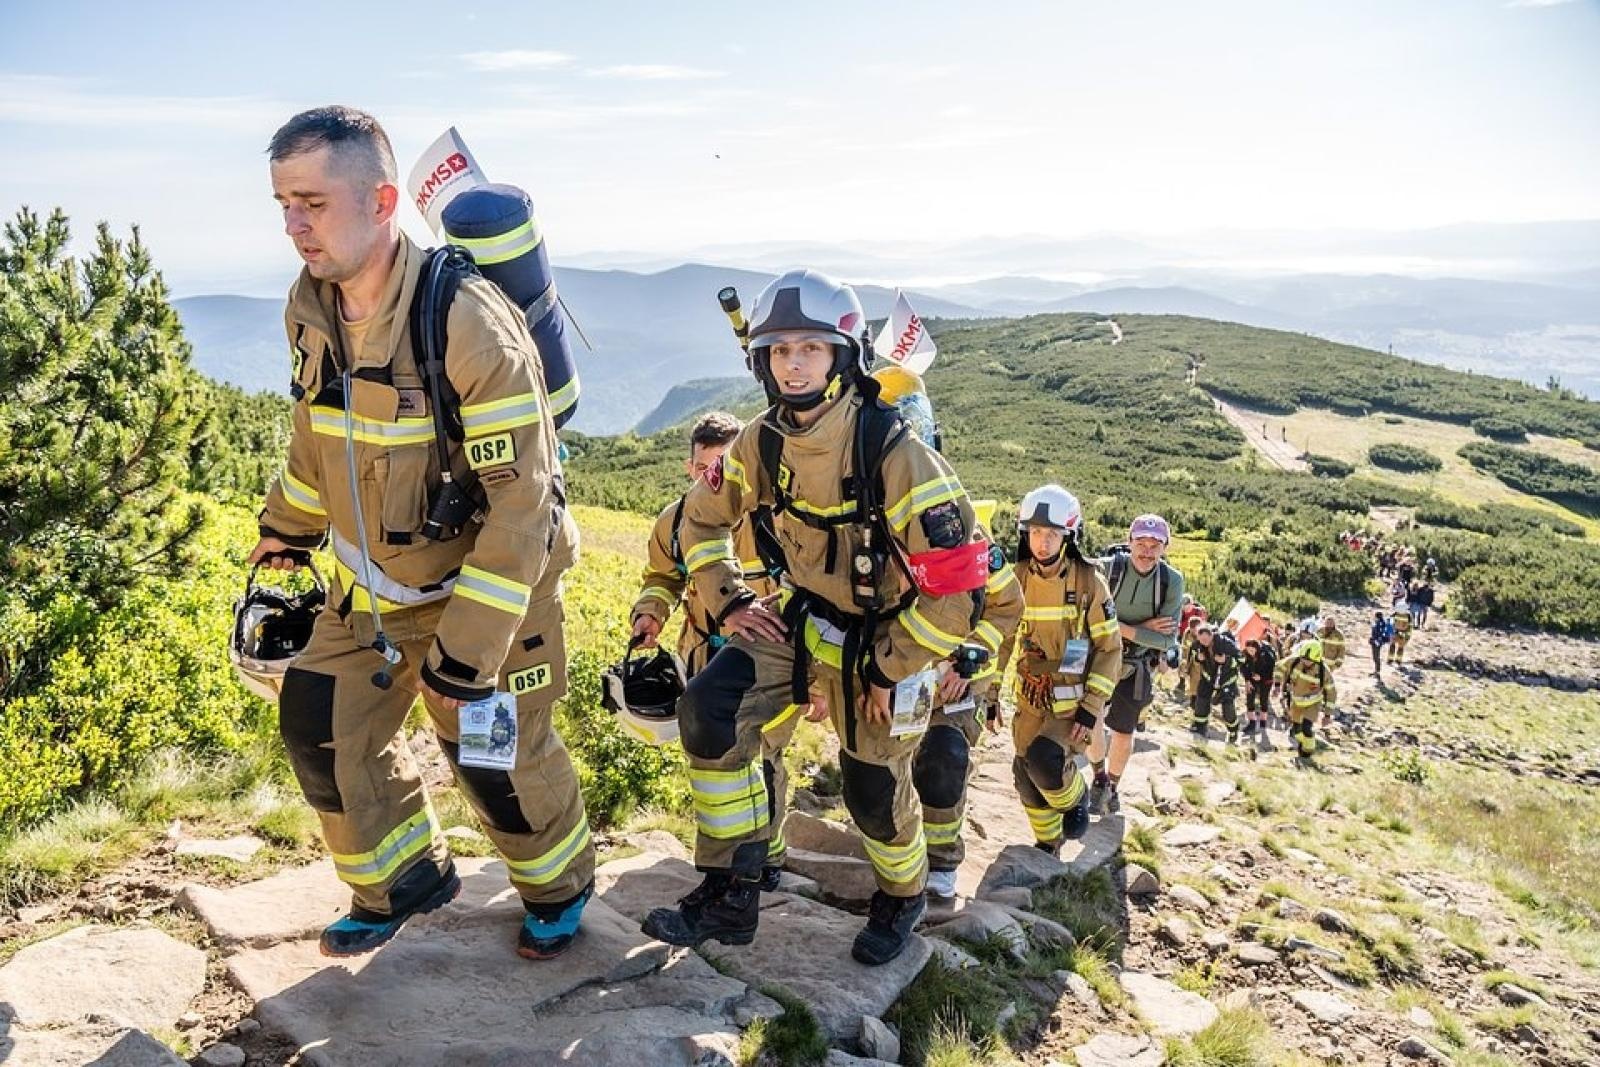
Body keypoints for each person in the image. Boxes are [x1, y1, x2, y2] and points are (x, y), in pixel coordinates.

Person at [252, 107, 594, 959]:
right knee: (320, 727)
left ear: (383, 198)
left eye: (312, 203)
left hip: (487, 591)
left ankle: (560, 888)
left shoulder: (470, 323)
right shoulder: (310, 307)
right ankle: (402, 880)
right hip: (370, 585)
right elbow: (314, 439)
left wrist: (468, 652)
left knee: (491, 755)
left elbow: (524, 503)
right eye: (282, 204)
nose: (294, 226)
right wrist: (285, 533)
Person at [640, 269, 993, 966]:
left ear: (843, 356)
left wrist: (887, 666)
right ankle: (732, 889)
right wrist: (731, 598)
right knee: (711, 709)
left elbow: (955, 596)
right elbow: (702, 523)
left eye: (810, 348)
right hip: (798, 619)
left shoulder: (895, 452)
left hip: (884, 639)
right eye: (778, 351)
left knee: (871, 786)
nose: (793, 364)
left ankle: (902, 894)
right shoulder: (761, 442)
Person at [627, 411, 796, 888]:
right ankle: (727, 863)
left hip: (772, 663)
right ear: (690, 468)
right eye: (705, 468)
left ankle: (769, 858)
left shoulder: (776, 520)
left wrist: (819, 685)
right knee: (716, 759)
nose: (714, 478)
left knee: (764, 757)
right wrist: (650, 613)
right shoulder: (677, 521)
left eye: (724, 466)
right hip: (704, 659)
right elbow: (663, 578)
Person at [996, 485, 1123, 851]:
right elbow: (1002, 639)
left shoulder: (1088, 582)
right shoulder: (1015, 578)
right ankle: (1047, 845)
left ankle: (1077, 796)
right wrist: (989, 694)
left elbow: (1109, 649)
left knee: (1045, 760)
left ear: (1068, 535)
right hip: (1029, 697)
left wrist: (1092, 708)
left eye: (1052, 534)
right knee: (1025, 775)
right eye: (1036, 533)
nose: (1043, 543)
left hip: (1072, 706)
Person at [914, 500, 1024, 899]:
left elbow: (1009, 605)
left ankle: (941, 863)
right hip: (896, 678)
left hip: (957, 682)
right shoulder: (871, 528)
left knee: (945, 755)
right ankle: (899, 854)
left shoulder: (970, 539)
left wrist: (969, 659)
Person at [1088, 515, 1183, 814]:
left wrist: (1119, 627)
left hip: (1136, 663)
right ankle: (1099, 779)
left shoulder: (1171, 581)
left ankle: (1112, 786)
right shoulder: (1105, 567)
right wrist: (1144, 628)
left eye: (1155, 545)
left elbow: (1168, 642)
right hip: (1099, 654)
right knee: (1091, 720)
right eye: (1141, 543)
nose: (1147, 550)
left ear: (1165, 548)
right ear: (1129, 543)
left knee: (1123, 731)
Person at [1274, 637, 1336, 767]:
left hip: (1313, 703)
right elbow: (1279, 667)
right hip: (1296, 702)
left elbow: (1331, 692)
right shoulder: (1295, 661)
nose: (1305, 662)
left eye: (1308, 660)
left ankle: (1307, 754)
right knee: (1297, 731)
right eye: (1303, 659)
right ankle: (1303, 747)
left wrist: (1328, 715)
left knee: (1307, 727)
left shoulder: (1323, 671)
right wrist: (1277, 685)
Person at [1191, 622, 1242, 743]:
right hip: (1208, 676)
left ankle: (1233, 730)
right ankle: (1200, 727)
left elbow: (1241, 659)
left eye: (1205, 639)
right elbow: (1193, 655)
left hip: (1226, 679)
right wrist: (1198, 658)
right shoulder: (1197, 644)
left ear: (1211, 635)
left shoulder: (1225, 643)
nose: (1203, 642)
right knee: (1201, 701)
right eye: (1200, 639)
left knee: (1227, 708)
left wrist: (1227, 660)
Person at [1240, 638, 1277, 748]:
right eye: (1248, 650)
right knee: (1249, 699)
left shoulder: (1266, 656)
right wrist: (1247, 680)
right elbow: (1243, 667)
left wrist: (1262, 677)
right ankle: (1251, 723)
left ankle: (1263, 723)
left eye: (1252, 650)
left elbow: (1271, 670)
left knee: (1263, 700)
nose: (1250, 652)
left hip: (1266, 680)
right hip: (1252, 678)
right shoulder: (1245, 654)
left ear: (1257, 648)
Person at [1318, 616, 1346, 725]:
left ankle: (1325, 702)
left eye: (1331, 623)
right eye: (1327, 622)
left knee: (1326, 684)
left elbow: (1341, 650)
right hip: (1318, 662)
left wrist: (1338, 663)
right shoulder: (1319, 631)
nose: (1328, 625)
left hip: (1330, 665)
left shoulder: (1339, 635)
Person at [1369, 610, 1394, 674]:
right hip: (1378, 641)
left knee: (1376, 656)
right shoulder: (1382, 623)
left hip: (1377, 642)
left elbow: (1379, 633)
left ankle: (1377, 671)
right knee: (1376, 656)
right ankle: (1377, 670)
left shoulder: (1379, 624)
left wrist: (1376, 641)